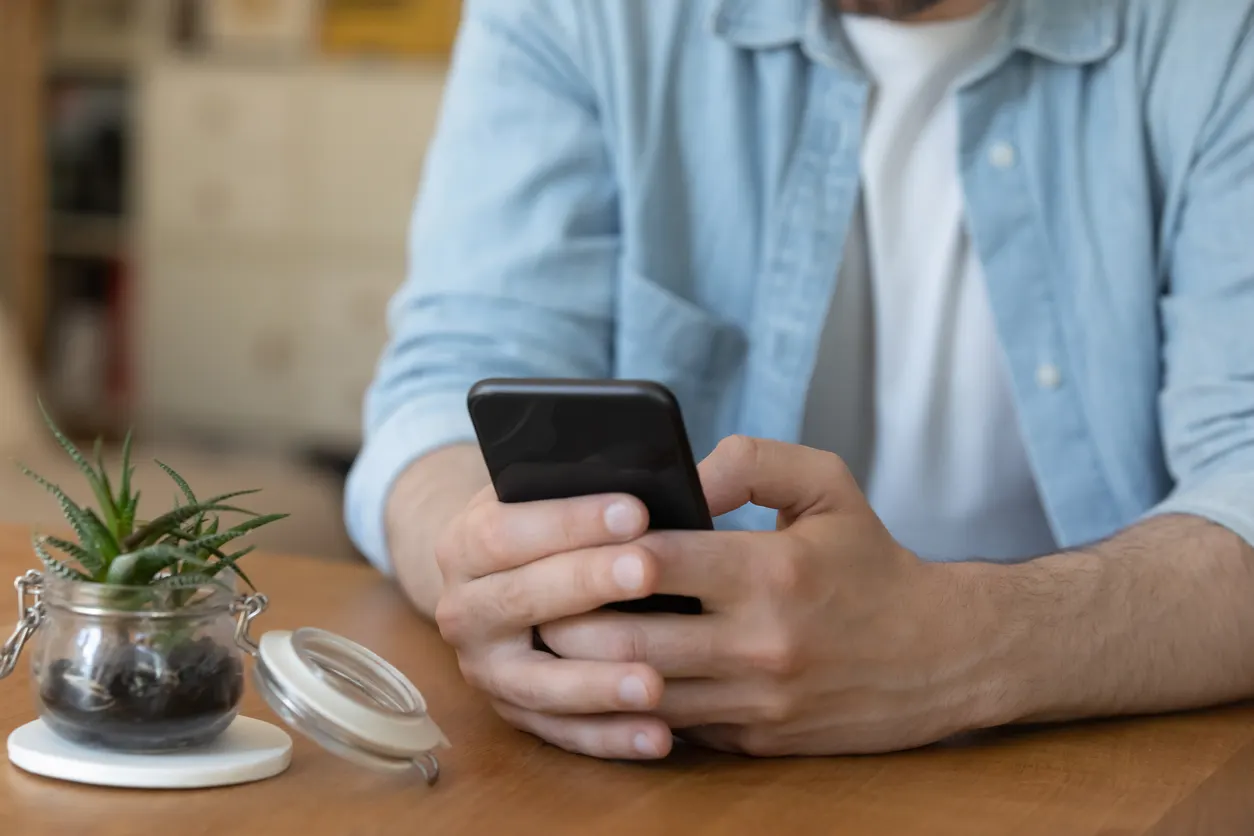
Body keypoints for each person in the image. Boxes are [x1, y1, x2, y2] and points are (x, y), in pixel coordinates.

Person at [345, 0, 1254, 761]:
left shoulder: (1216, 30)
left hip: (1096, 748)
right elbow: (441, 393)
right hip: (677, 767)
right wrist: (491, 575)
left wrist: (961, 644)